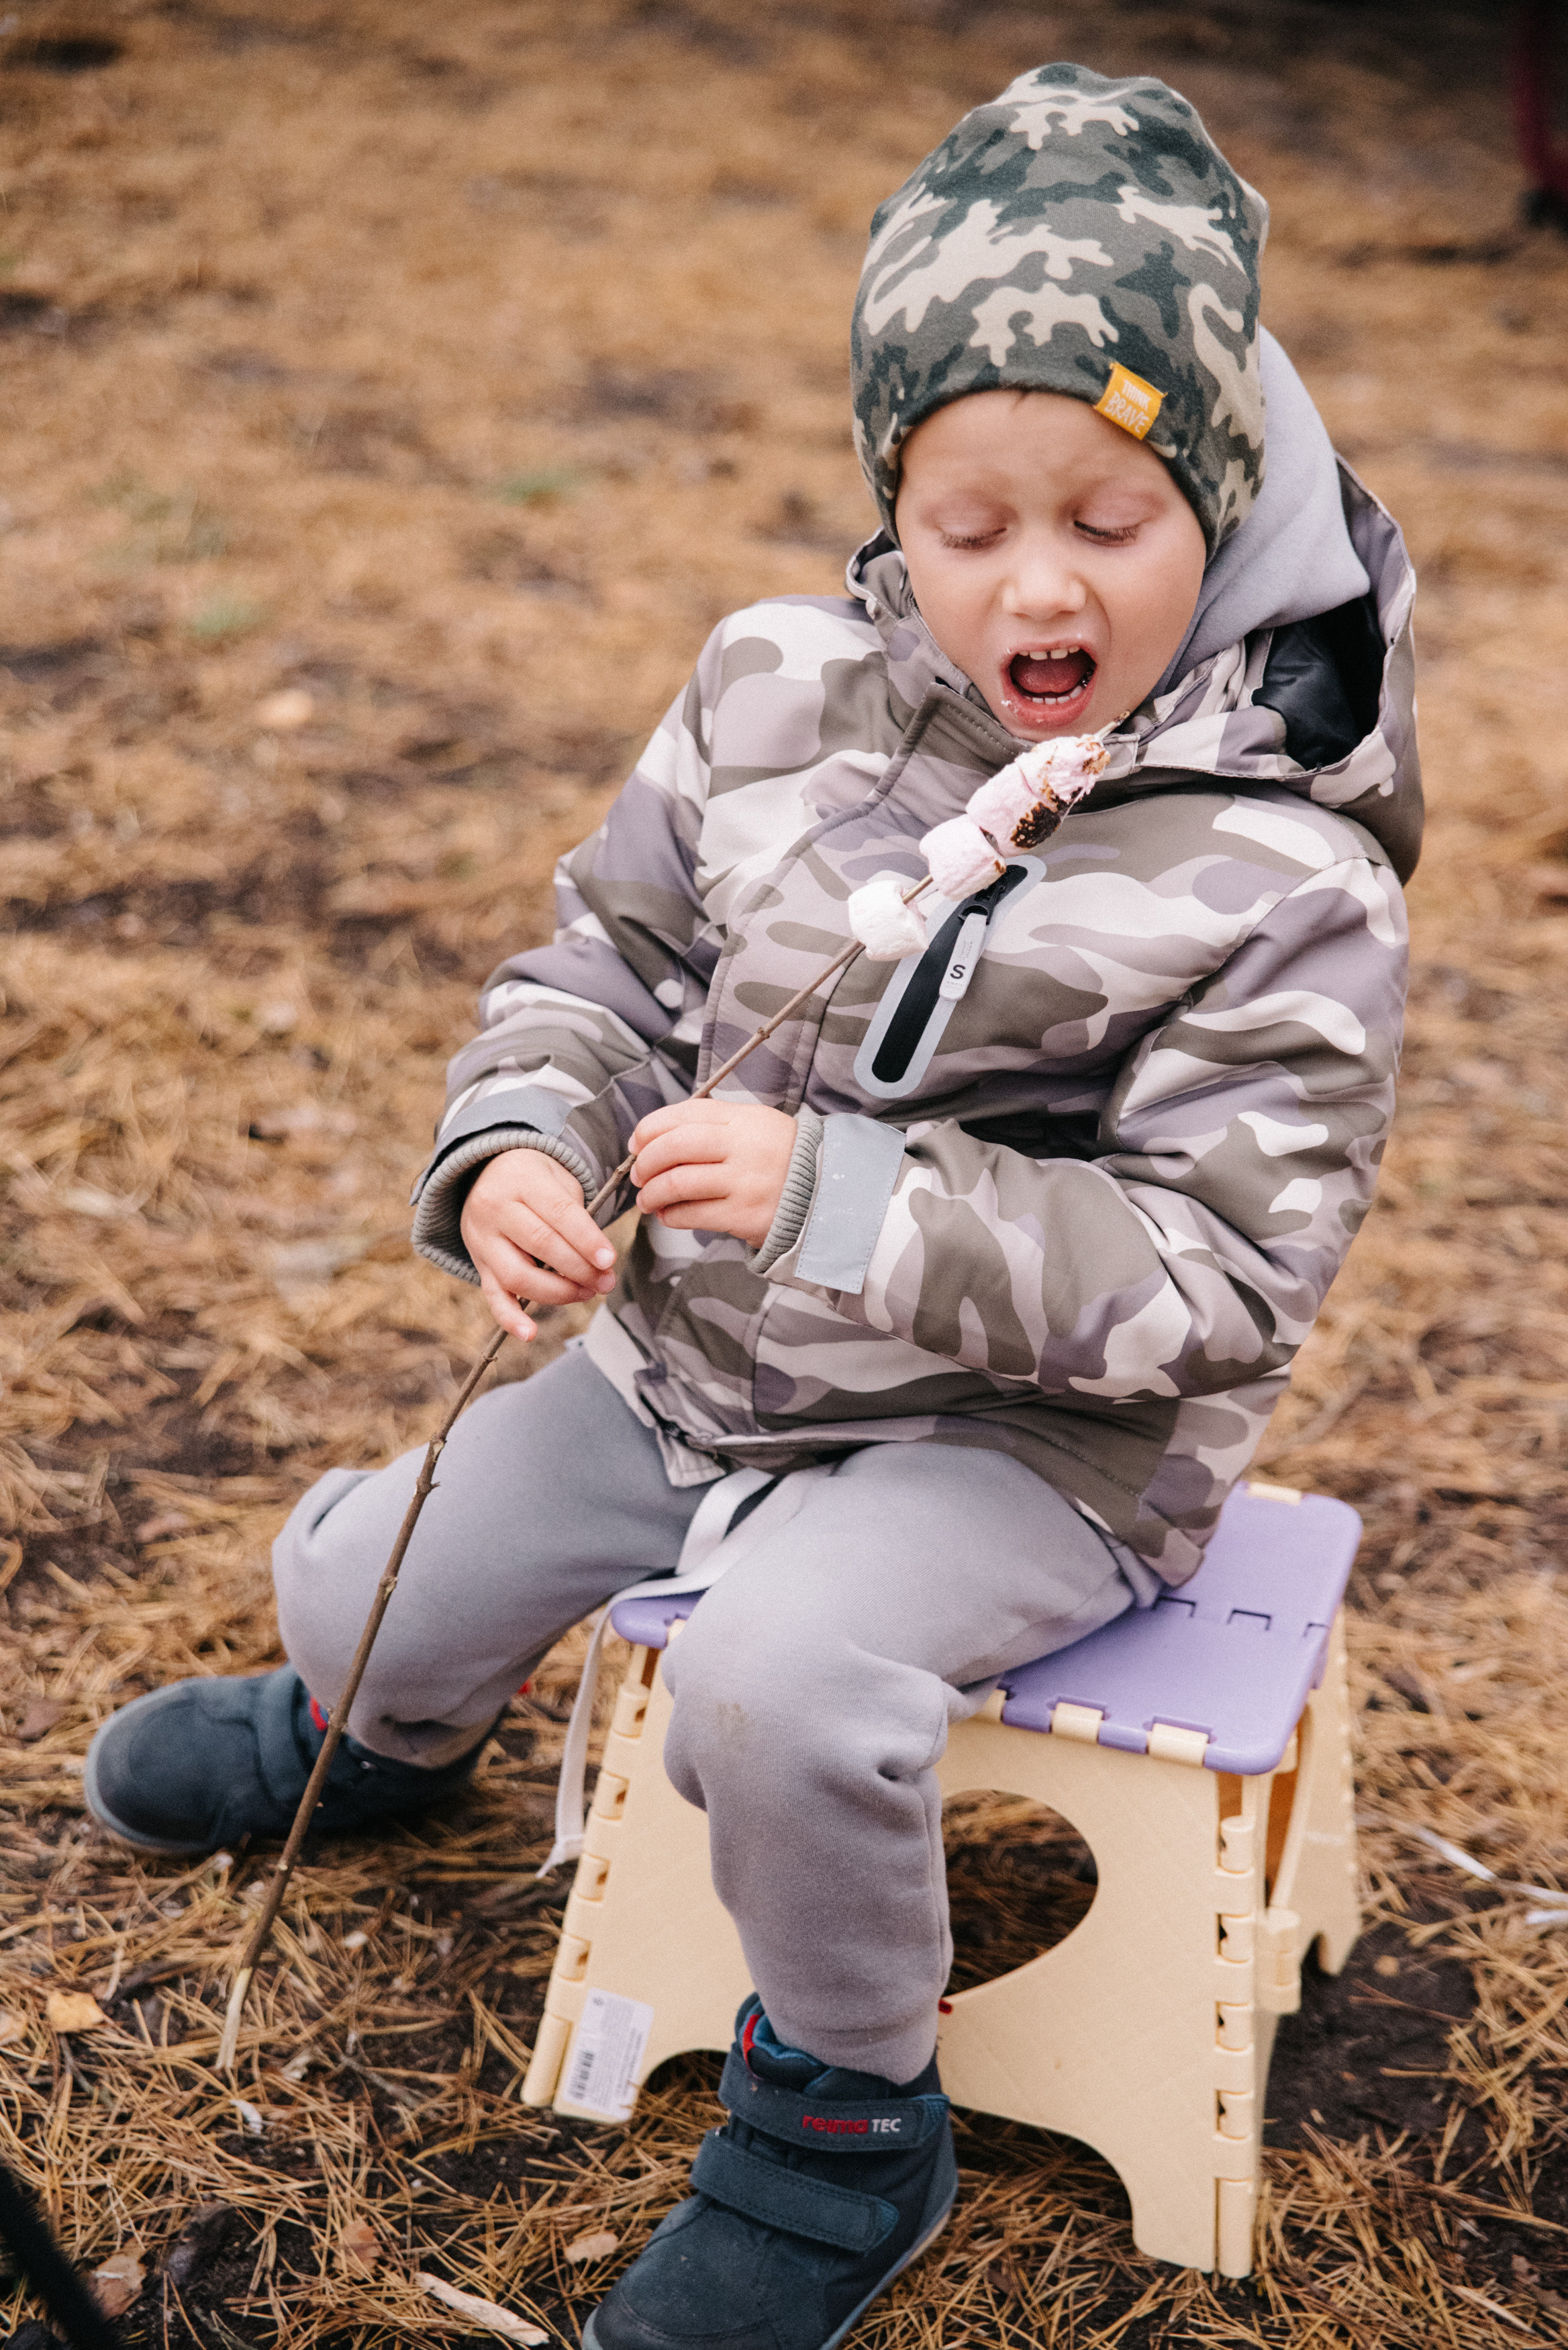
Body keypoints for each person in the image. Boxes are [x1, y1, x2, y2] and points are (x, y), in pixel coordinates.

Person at [87, 64, 1418, 2350]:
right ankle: (381, 1737)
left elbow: (1215, 1272)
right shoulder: (770, 686)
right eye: (971, 516)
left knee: (779, 1689)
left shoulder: (1279, 873)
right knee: (366, 1581)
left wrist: (847, 1197)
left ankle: (839, 2126)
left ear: (1217, 493)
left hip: (1023, 1446)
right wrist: (517, 1138)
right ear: (891, 496)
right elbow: (599, 959)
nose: (1037, 583)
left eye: (1110, 518)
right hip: (690, 1357)